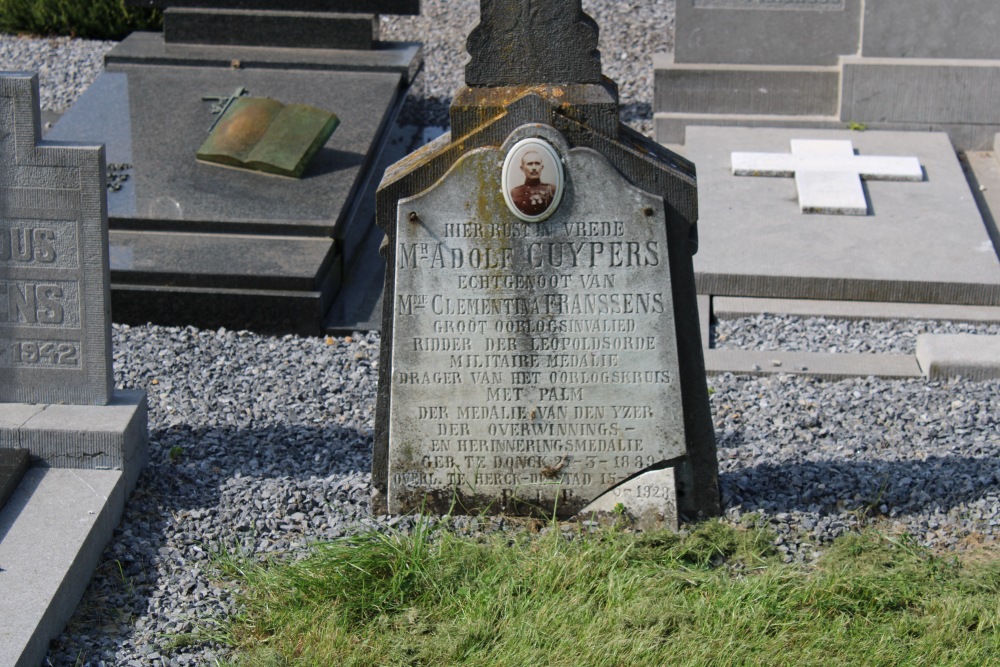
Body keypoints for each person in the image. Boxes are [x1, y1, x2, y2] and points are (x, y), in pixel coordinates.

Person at [509, 149, 556, 216]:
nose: (534, 168)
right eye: (530, 164)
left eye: (537, 163)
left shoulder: (552, 190)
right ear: (522, 168)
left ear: (541, 167)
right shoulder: (514, 193)